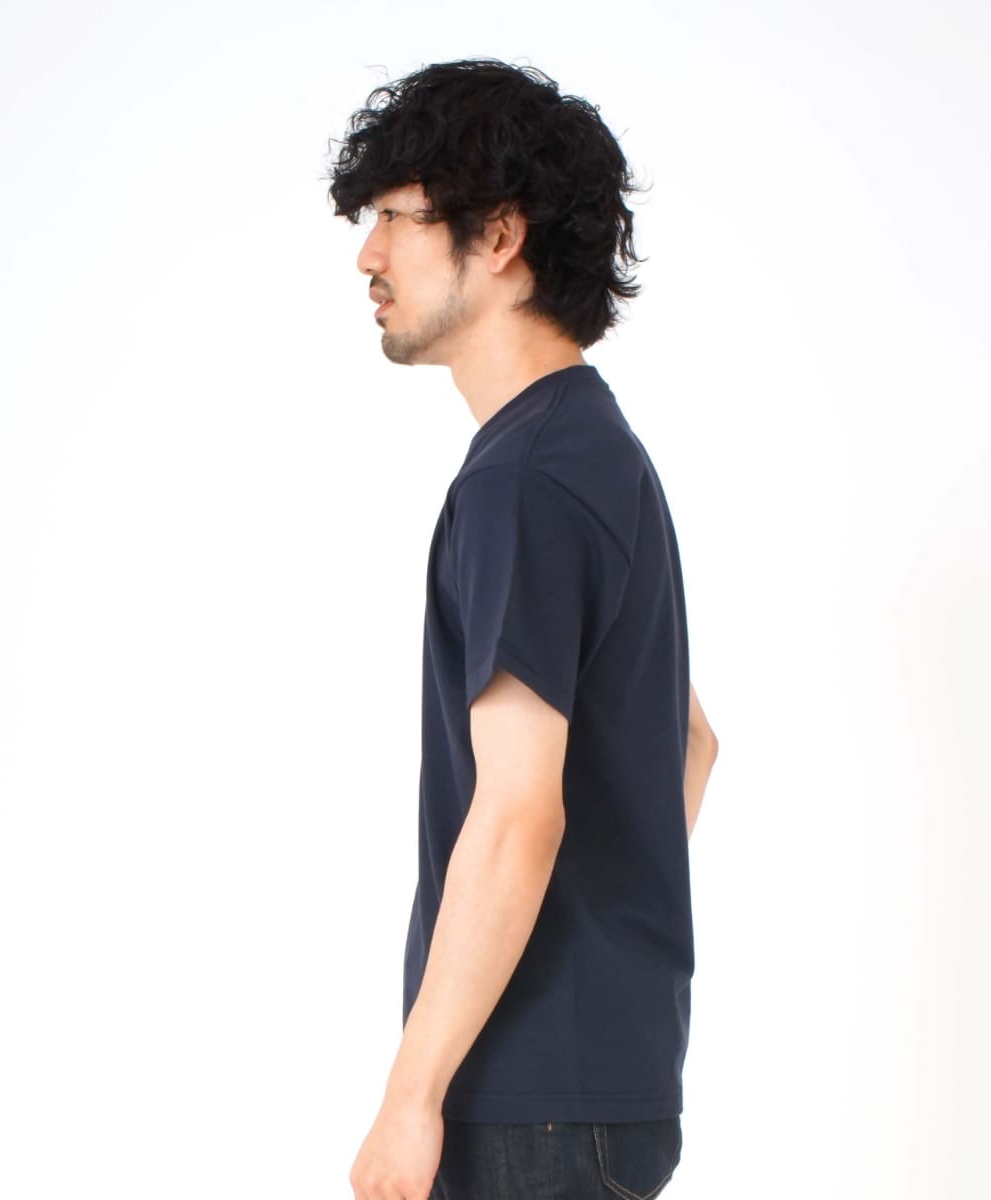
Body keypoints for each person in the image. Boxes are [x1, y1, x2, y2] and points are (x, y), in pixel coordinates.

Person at [325, 58, 719, 1200]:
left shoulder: (523, 479)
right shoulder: (596, 450)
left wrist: (410, 1098)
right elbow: (687, 742)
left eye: (396, 217)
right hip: (600, 1088)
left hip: (526, 1107)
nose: (367, 255)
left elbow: (516, 812)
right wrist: (600, 937)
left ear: (498, 236)